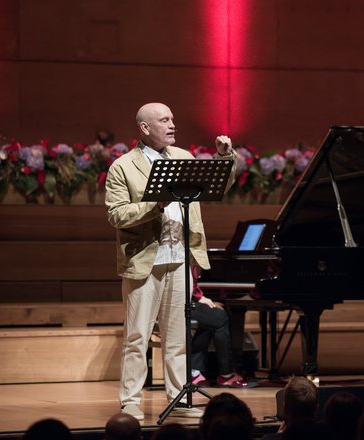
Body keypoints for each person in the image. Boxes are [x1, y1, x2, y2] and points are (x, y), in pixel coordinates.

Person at [105, 102, 237, 420]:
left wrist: (224, 158)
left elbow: (217, 187)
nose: (172, 125)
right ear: (145, 127)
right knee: (137, 336)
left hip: (180, 259)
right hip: (144, 262)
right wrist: (153, 205)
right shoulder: (123, 166)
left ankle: (179, 397)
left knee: (177, 337)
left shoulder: (184, 158)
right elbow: (116, 214)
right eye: (164, 120)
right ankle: (130, 401)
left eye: (173, 119)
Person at [190, 266, 257, 388]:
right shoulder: (187, 253)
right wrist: (199, 297)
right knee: (220, 317)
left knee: (212, 318)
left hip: (186, 299)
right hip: (179, 302)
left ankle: (194, 372)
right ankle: (226, 376)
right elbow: (185, 281)